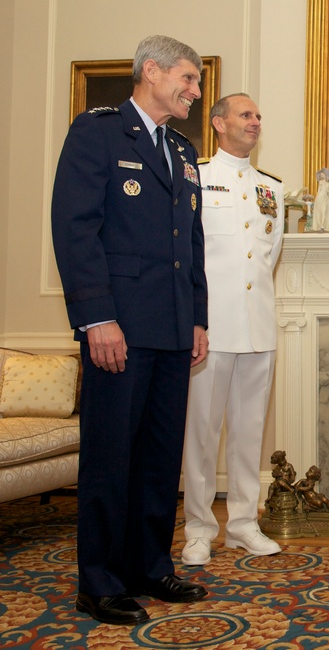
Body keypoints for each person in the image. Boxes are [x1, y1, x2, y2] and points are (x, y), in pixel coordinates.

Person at [50, 35, 210, 626]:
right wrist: (97, 318)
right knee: (110, 456)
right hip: (117, 325)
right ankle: (98, 580)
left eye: (195, 82)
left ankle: (148, 565)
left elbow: (190, 245)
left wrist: (197, 317)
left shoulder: (181, 149)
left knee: (159, 457)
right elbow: (75, 229)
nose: (195, 90)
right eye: (187, 79)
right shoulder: (97, 132)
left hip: (171, 327)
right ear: (152, 71)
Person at [180, 93, 284, 566]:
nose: (255, 121)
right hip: (211, 328)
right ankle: (199, 528)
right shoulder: (197, 177)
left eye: (259, 115)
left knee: (248, 432)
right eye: (246, 114)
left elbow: (268, 256)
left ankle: (243, 524)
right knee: (201, 433)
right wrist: (192, 320)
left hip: (257, 325)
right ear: (219, 123)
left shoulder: (271, 188)